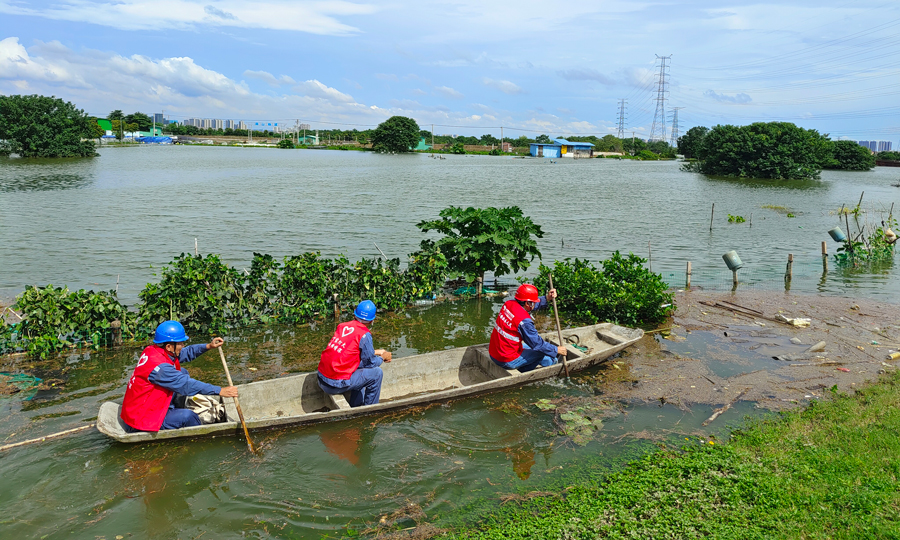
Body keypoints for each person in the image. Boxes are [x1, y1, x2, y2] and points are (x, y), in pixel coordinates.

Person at [120, 320, 238, 432]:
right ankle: (197, 438)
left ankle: (173, 410)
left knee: (182, 372)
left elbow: (186, 353)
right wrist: (220, 390)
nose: (183, 345)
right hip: (141, 420)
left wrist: (208, 346)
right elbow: (187, 385)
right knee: (188, 416)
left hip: (139, 408)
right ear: (169, 346)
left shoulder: (153, 350)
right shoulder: (161, 368)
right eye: (180, 343)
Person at [317, 300, 392, 407]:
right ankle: (371, 410)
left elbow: (348, 351)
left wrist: (376, 352)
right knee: (377, 373)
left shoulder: (342, 326)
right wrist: (382, 357)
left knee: (359, 366)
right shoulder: (364, 335)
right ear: (371, 321)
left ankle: (356, 405)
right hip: (334, 385)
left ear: (354, 314)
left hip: (322, 379)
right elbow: (370, 363)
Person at [489, 284, 567, 372]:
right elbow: (537, 344)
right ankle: (524, 372)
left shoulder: (508, 304)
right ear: (527, 303)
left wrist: (547, 298)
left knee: (546, 354)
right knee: (541, 352)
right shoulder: (524, 321)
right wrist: (556, 349)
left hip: (494, 353)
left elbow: (530, 306)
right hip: (506, 359)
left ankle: (550, 362)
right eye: (534, 302)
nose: (535, 303)